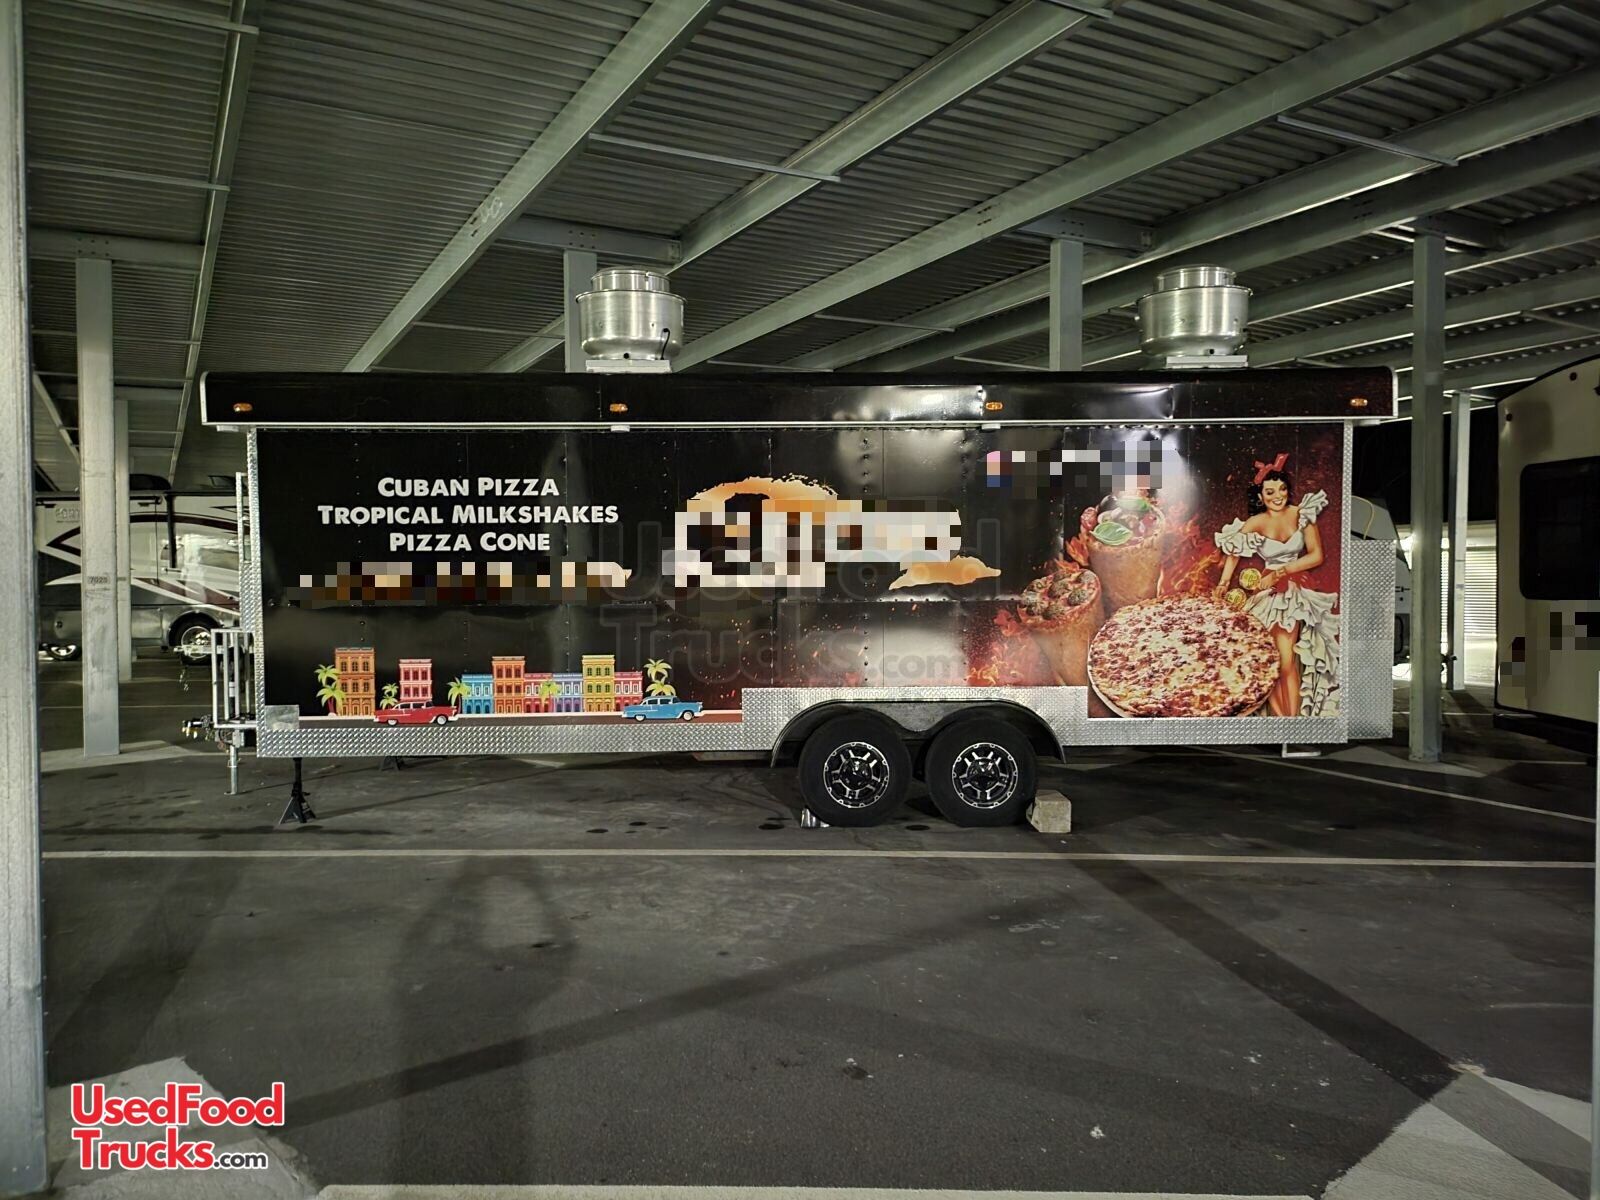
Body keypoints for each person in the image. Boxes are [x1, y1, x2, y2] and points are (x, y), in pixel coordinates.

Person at [1213, 455, 1339, 717]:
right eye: (1270, 492)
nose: (1278, 496)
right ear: (1260, 496)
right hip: (1266, 592)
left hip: (1292, 592)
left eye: (1282, 489)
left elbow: (1316, 556)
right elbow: (1234, 552)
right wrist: (1224, 583)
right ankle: (1278, 718)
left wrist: (1281, 571)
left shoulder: (1302, 514)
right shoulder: (1255, 522)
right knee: (1264, 658)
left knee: (1285, 660)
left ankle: (1292, 720)